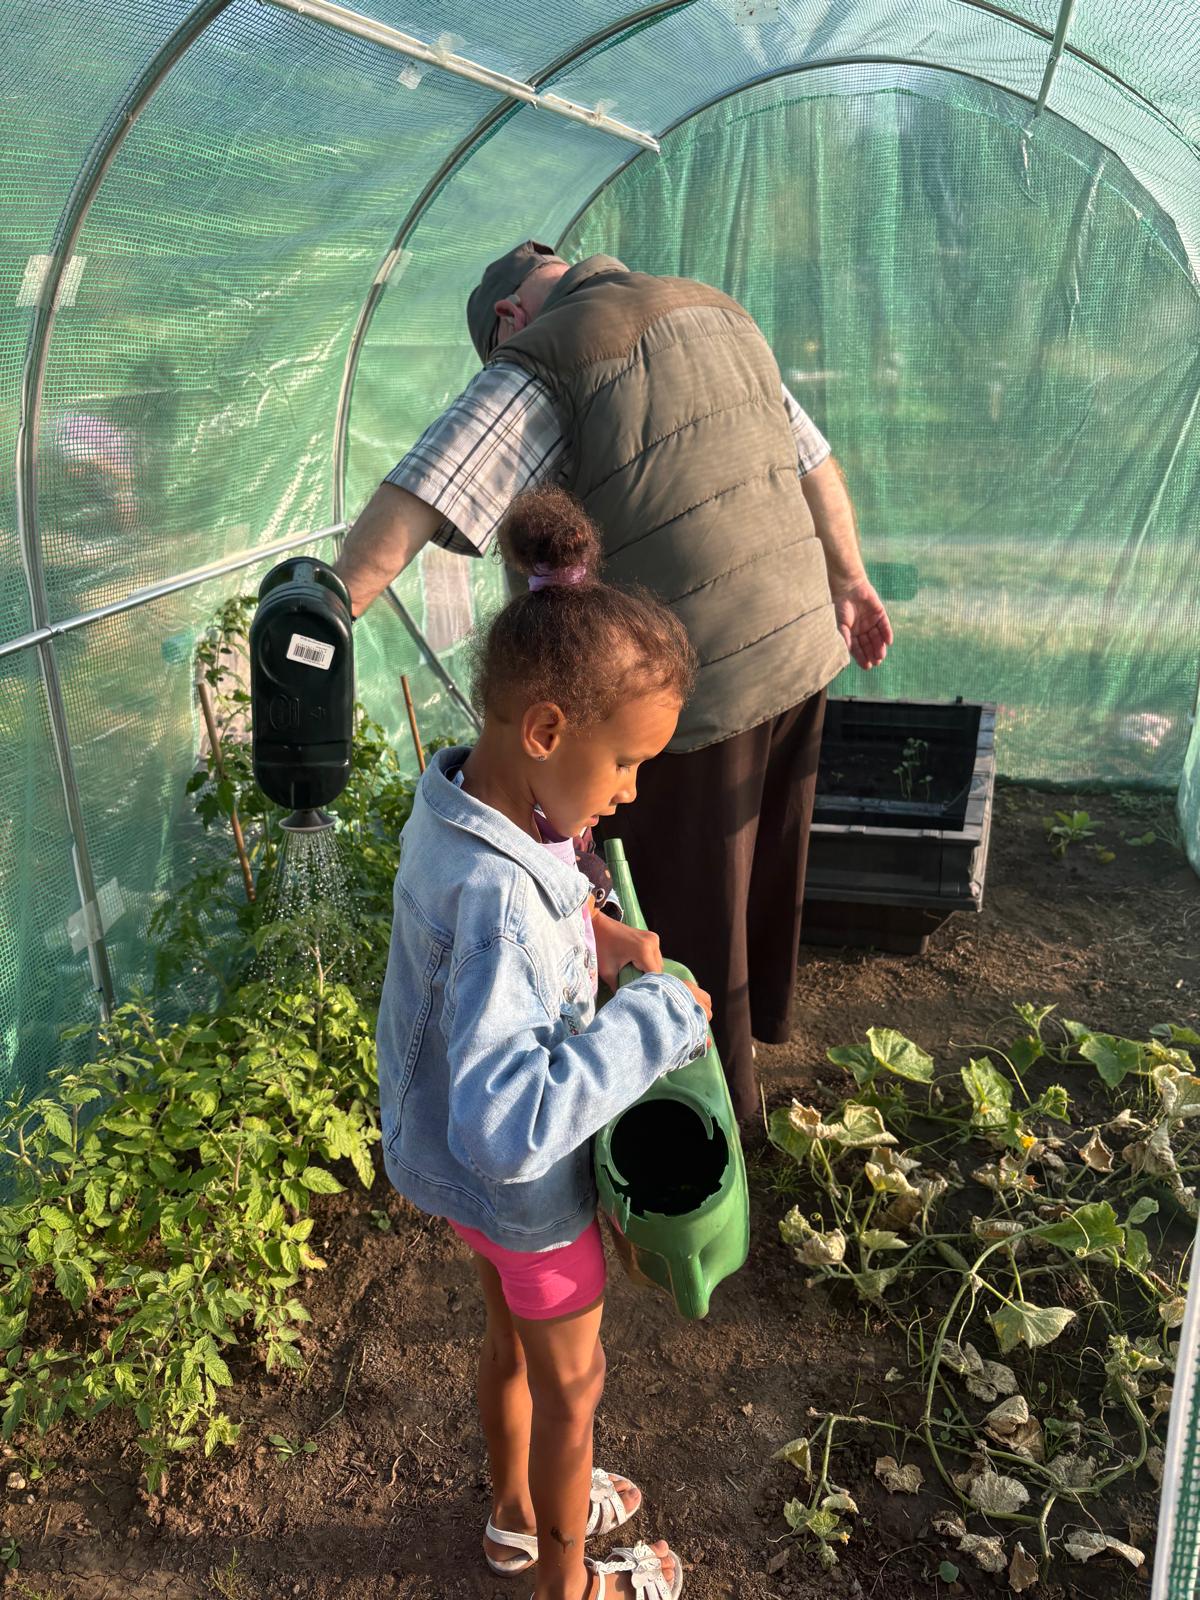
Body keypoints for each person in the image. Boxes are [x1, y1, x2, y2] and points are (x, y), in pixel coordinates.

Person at [338, 241, 893, 1121]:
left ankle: (709, 1122)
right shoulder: (717, 309)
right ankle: (760, 1036)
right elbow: (813, 463)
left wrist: (325, 614)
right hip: (799, 646)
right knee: (756, 879)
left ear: (509, 322)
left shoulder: (553, 348)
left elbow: (427, 489)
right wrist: (852, 582)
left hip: (688, 687)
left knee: (687, 910)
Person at [376, 485, 708, 1599]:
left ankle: (515, 1516)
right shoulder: (507, 898)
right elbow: (513, 1119)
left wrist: (597, 926)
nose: (625, 795)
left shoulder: (469, 802)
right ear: (549, 729)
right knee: (577, 1385)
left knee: (506, 1339)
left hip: (466, 1191)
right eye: (623, 767)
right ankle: (570, 1585)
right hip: (525, 1196)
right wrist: (654, 1019)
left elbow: (521, 904)